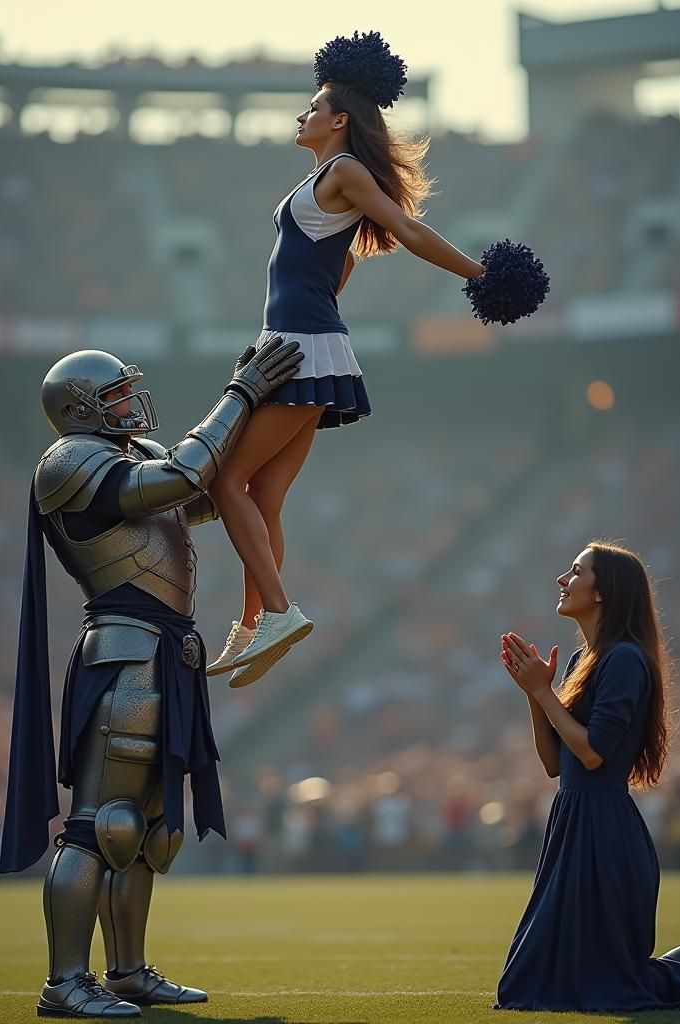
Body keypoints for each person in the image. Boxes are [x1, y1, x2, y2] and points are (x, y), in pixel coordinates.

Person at [206, 31, 547, 688]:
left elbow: (408, 230)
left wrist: (483, 274)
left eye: (310, 108)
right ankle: (255, 627)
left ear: (338, 120)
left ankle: (275, 612)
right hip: (305, 343)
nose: (299, 117)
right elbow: (338, 268)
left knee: (227, 484)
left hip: (297, 346)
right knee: (264, 495)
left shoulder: (342, 172)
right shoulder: (325, 180)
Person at [0, 339, 302, 1019]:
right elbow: (190, 474)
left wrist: (283, 422)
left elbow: (214, 490)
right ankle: (65, 983)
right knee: (100, 825)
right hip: (124, 653)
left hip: (168, 652)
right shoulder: (68, 461)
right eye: (114, 395)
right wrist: (242, 392)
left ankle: (127, 971)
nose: (130, 404)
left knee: (149, 830)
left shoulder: (129, 460)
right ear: (80, 408)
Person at [496, 541, 680, 1011]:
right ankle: (678, 965)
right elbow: (554, 763)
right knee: (524, 987)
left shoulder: (626, 660)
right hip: (570, 823)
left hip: (605, 830)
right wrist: (534, 695)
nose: (562, 581)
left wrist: (545, 695)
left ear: (604, 591)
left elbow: (592, 756)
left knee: (605, 986)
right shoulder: (577, 663)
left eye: (574, 572)